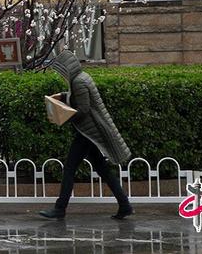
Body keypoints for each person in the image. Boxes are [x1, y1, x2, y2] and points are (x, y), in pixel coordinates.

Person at [39, 50, 133, 220]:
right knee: (102, 169)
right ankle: (125, 205)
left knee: (69, 168)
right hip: (91, 131)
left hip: (87, 133)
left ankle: (60, 208)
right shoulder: (82, 77)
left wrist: (62, 113)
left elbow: (83, 110)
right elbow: (78, 98)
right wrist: (62, 96)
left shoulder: (78, 82)